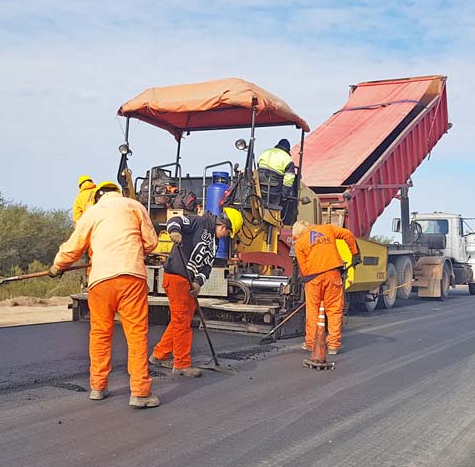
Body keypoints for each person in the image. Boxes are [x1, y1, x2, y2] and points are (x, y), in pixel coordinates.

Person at [50, 181, 161, 408]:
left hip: (100, 280)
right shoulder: (135, 206)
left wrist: (57, 266)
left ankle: (98, 387)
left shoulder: (92, 213)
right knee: (136, 334)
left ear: (97, 197)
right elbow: (151, 244)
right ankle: (140, 393)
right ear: (116, 193)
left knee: (100, 333)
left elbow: (74, 246)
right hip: (131, 277)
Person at [150, 207, 243, 377]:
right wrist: (175, 232)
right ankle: (181, 364)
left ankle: (159, 354)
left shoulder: (214, 242)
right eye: (227, 232)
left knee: (182, 319)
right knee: (182, 323)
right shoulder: (198, 222)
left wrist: (198, 282)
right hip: (176, 276)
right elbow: (175, 221)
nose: (225, 236)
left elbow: (206, 266)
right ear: (224, 226)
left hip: (188, 281)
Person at [292, 219, 361, 356]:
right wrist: (355, 254)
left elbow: (304, 269)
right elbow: (347, 234)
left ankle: (311, 344)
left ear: (297, 233)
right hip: (333, 276)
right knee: (334, 311)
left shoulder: (300, 243)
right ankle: (333, 346)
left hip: (313, 280)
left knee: (313, 312)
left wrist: (307, 282)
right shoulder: (327, 229)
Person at [257, 138, 296, 208]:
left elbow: (258, 167)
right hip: (274, 188)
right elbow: (289, 179)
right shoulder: (287, 159)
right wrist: (284, 194)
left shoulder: (265, 152)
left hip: (259, 186)